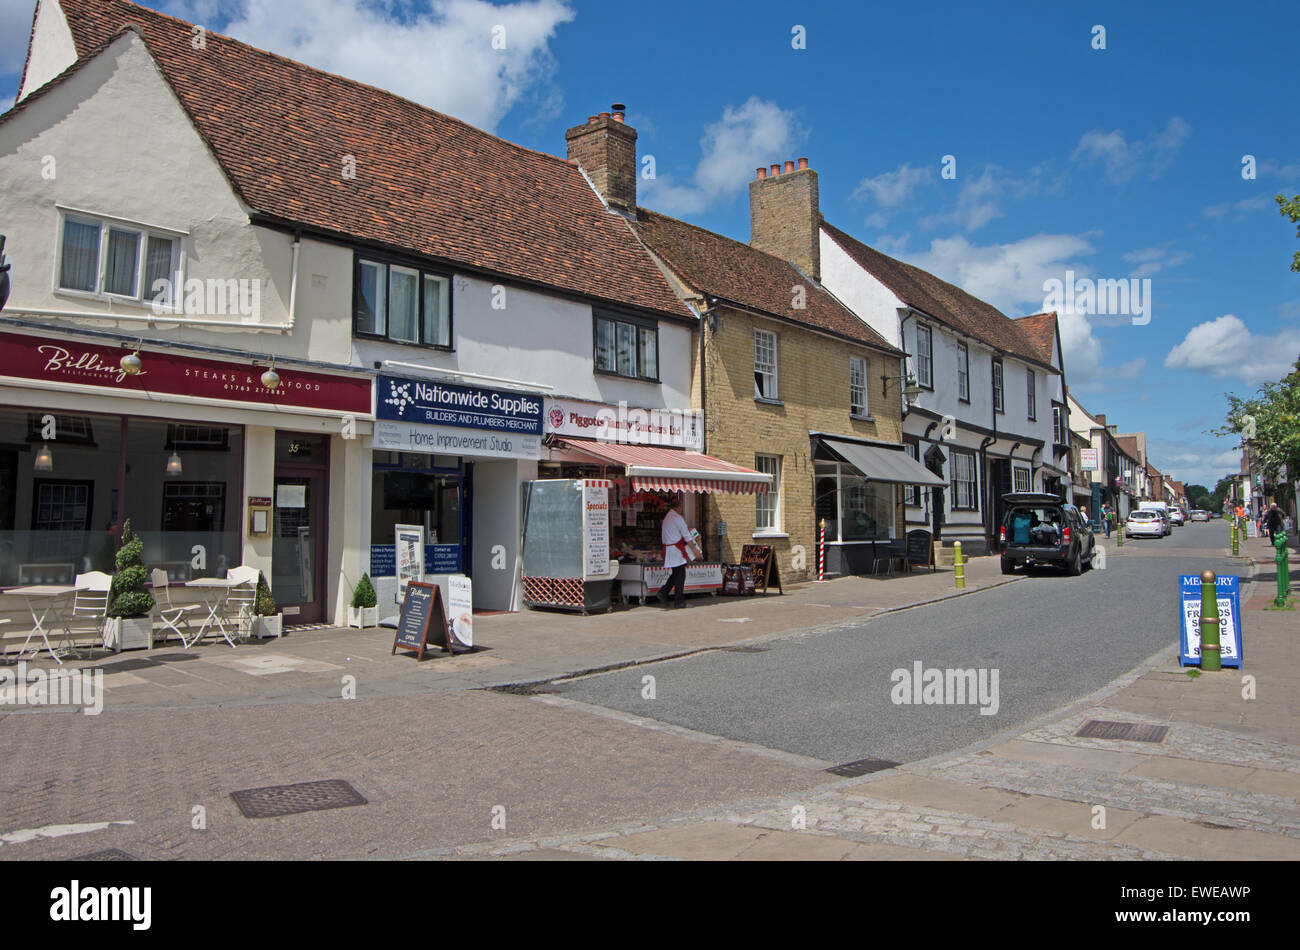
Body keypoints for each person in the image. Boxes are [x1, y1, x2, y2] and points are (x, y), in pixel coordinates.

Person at [658, 493, 700, 609]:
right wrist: (695, 550)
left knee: (676, 574)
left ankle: (663, 592)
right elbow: (687, 536)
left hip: (670, 549)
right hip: (676, 550)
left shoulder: (667, 517)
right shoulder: (677, 518)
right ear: (679, 507)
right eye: (681, 507)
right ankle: (679, 601)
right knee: (680, 575)